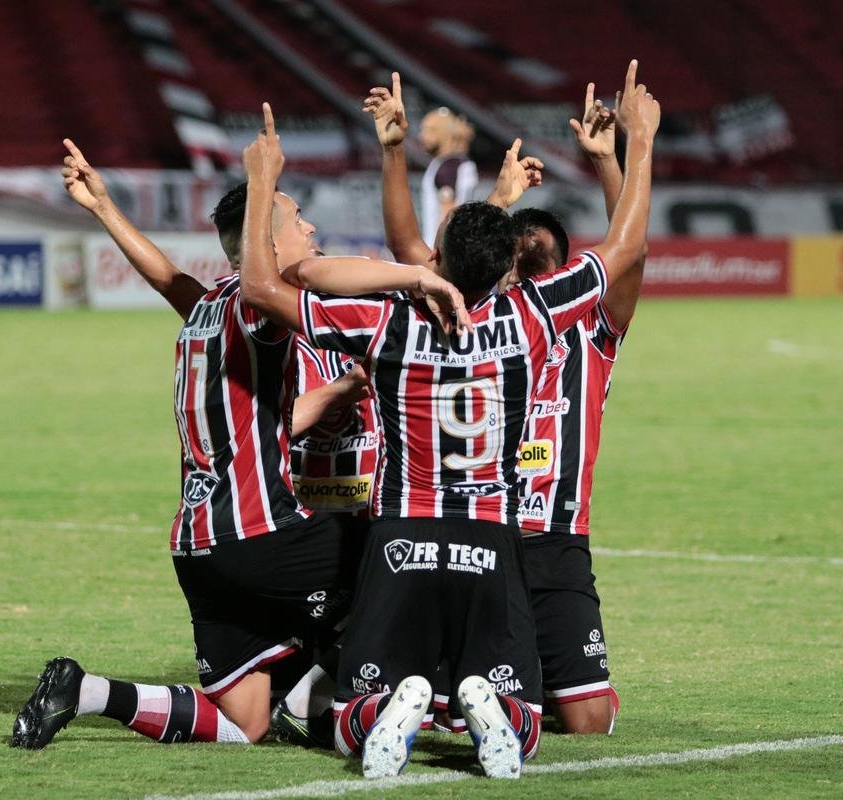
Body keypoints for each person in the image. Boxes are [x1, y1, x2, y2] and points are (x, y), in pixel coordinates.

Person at [235, 60, 658, 778]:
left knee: (347, 724)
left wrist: (402, 250)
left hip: (401, 534)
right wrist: (639, 144)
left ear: (437, 259)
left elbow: (278, 284)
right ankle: (489, 711)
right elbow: (622, 251)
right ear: (506, 272)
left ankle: (400, 707)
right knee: (526, 725)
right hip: (491, 536)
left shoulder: (391, 320)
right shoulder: (533, 317)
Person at [9, 144, 377, 750]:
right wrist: (265, 181)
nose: (311, 227)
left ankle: (85, 690)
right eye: (296, 218)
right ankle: (342, 704)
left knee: (245, 723)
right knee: (406, 561)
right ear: (267, 241)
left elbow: (166, 278)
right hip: (263, 535)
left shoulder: (206, 308)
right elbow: (286, 294)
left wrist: (104, 206)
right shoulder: (260, 310)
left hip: (199, 548)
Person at [509, 81, 648, 735]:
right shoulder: (482, 319)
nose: (532, 254)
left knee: (588, 722)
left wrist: (608, 160)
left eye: (545, 250)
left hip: (558, 540)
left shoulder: (591, 332)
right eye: (519, 250)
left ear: (570, 272)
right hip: (484, 532)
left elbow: (629, 253)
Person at [419, 106, 478, 247]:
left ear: (445, 133)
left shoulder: (447, 168)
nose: (422, 136)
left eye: (431, 130)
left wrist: (441, 254)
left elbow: (447, 212)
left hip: (440, 250)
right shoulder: (459, 162)